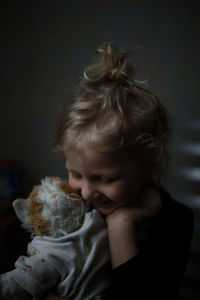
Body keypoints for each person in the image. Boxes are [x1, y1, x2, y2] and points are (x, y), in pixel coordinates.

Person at [44, 42, 194, 299]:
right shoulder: (68, 209)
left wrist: (121, 226)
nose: (88, 192)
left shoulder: (175, 221)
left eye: (105, 179)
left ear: (151, 167)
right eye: (76, 174)